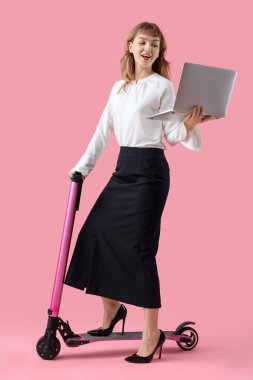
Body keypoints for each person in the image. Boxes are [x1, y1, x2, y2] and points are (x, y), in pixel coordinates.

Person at [64, 22, 216, 363]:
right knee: (96, 234)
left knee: (140, 250)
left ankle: (152, 334)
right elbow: (102, 132)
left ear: (160, 52)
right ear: (130, 46)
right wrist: (81, 168)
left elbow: (172, 134)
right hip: (123, 170)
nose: (149, 48)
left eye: (156, 44)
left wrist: (189, 124)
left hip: (149, 173)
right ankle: (112, 312)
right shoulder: (118, 88)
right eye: (143, 42)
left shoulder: (163, 86)